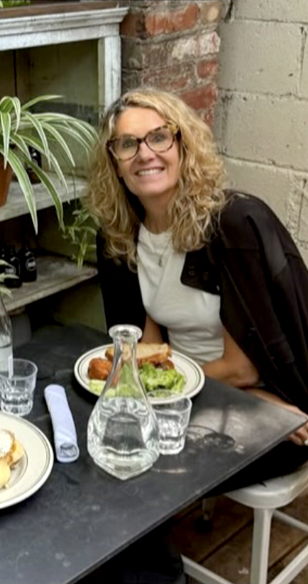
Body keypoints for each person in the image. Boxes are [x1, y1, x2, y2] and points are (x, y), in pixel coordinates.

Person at [87, 87, 308, 487]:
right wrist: (150, 391)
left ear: (182, 146)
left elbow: (242, 370)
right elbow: (150, 354)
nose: (144, 153)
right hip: (183, 397)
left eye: (158, 136)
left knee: (144, 465)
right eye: (127, 144)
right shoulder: (120, 238)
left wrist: (251, 397)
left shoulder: (232, 225)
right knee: (108, 441)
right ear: (115, 164)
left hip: (264, 406)